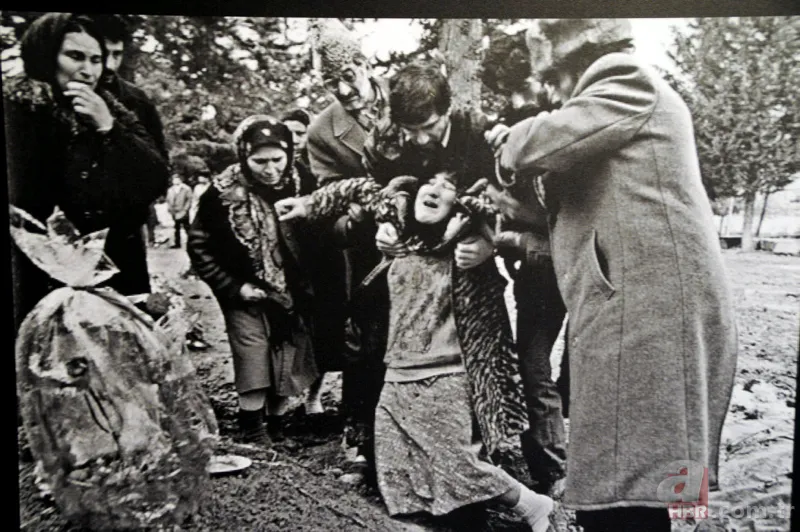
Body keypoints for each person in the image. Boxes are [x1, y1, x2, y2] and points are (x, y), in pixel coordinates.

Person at [489, 18, 738, 531]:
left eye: (552, 79)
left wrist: (502, 142)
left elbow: (534, 145)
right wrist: (515, 217)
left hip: (651, 315)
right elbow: (589, 220)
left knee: (631, 484)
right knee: (653, 469)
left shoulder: (625, 79)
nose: (551, 94)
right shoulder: (616, 116)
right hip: (647, 311)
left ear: (575, 60)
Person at [275, 172, 554, 532]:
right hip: (398, 372)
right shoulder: (397, 231)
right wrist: (308, 203)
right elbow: (360, 188)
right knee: (396, 466)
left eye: (448, 188)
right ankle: (420, 521)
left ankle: (530, 504)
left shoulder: (468, 246)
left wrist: (489, 242)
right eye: (430, 183)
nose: (435, 189)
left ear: (458, 205)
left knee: (456, 460)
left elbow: (497, 212)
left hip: (448, 372)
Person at [5, 13, 170, 333]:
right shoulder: (17, 110)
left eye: (96, 59)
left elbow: (154, 179)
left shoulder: (117, 107)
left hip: (115, 263)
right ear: (45, 55)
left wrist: (108, 128)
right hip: (36, 270)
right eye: (75, 56)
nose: (89, 71)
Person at [187, 115, 319, 445]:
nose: (270, 169)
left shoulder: (303, 182)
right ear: (244, 156)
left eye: (277, 159)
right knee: (253, 354)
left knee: (287, 355)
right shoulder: (220, 193)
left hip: (292, 292)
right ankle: (252, 428)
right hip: (245, 291)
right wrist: (234, 287)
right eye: (259, 161)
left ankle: (277, 424)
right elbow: (200, 246)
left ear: (289, 153)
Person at [480, 29, 569, 496]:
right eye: (506, 90)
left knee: (591, 375)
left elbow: (573, 224)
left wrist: (515, 232)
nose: (516, 100)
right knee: (534, 365)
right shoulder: (506, 130)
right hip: (538, 275)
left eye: (523, 87)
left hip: (588, 271)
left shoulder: (571, 123)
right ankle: (551, 469)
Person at [306, 19, 390, 474]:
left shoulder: (407, 97)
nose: (342, 90)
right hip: (371, 256)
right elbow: (328, 216)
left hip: (432, 246)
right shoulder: (322, 132)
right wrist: (359, 217)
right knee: (369, 345)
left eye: (348, 76)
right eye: (330, 83)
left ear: (364, 63)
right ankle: (361, 440)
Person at [91, 15, 169, 250]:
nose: (110, 65)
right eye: (103, 54)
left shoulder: (137, 100)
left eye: (117, 54)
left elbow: (159, 169)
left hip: (124, 232)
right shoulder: (45, 95)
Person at [166, 174, 193, 248]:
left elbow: (189, 200)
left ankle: (191, 242)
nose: (175, 181)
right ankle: (177, 243)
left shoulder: (186, 188)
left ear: (180, 180)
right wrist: (170, 209)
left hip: (183, 210)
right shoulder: (170, 189)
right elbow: (168, 200)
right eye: (173, 179)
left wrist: (185, 209)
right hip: (174, 211)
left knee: (186, 227)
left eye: (177, 179)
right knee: (176, 227)